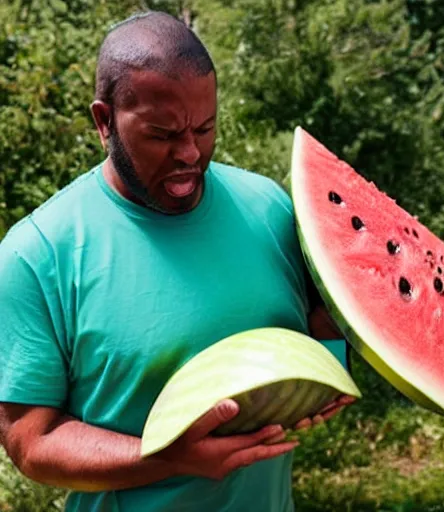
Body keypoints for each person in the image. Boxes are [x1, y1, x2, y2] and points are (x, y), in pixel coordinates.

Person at [0, 11, 354, 512]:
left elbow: (320, 324)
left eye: (206, 128)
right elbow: (32, 443)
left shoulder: (268, 207)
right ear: (104, 122)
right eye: (162, 135)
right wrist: (169, 458)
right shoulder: (35, 255)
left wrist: (323, 381)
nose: (190, 152)